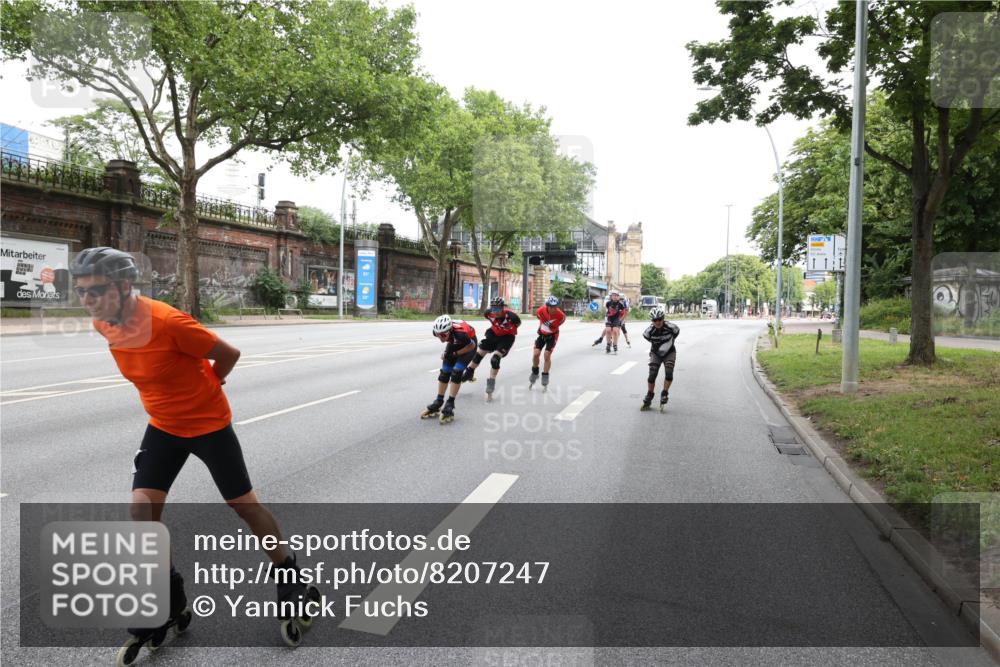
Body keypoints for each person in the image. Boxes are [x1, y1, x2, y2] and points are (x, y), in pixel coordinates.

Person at [70, 247, 316, 652]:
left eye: (95, 291)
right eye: (81, 292)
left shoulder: (168, 322)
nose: (87, 301)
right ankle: (168, 598)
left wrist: (212, 384)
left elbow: (229, 354)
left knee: (244, 506)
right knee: (141, 510)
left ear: (124, 286)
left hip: (208, 426)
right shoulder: (104, 324)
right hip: (164, 427)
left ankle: (289, 574)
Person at [463, 296, 521, 401]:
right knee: (479, 354)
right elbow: (492, 320)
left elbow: (518, 324)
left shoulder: (512, 316)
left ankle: (491, 383)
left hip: (507, 338)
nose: (496, 312)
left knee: (495, 359)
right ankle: (469, 372)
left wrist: (507, 329)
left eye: (498, 309)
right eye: (494, 309)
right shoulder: (488, 313)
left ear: (503, 308)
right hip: (494, 334)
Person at [423, 314, 477, 423]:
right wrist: (447, 353)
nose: (440, 338)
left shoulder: (460, 334)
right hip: (454, 342)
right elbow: (448, 342)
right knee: (445, 372)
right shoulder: (440, 332)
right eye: (438, 335)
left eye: (443, 335)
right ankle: (439, 401)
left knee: (456, 372)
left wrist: (455, 353)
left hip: (469, 344)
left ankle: (450, 403)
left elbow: (472, 346)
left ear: (450, 331)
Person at [641, 306, 680, 411]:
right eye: (654, 320)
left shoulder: (672, 327)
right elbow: (647, 338)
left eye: (659, 319)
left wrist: (668, 344)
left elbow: (676, 333)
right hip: (656, 354)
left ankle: (664, 393)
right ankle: (650, 394)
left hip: (669, 352)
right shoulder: (649, 332)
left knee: (669, 373)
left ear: (663, 319)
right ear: (652, 321)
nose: (657, 322)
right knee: (652, 375)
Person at [529, 295, 567, 391]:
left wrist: (551, 329)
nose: (554, 309)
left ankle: (545, 376)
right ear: (547, 306)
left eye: (555, 307)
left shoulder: (561, 315)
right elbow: (538, 317)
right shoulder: (540, 310)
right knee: (536, 354)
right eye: (551, 307)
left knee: (546, 355)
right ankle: (535, 371)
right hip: (542, 335)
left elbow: (561, 322)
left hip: (552, 336)